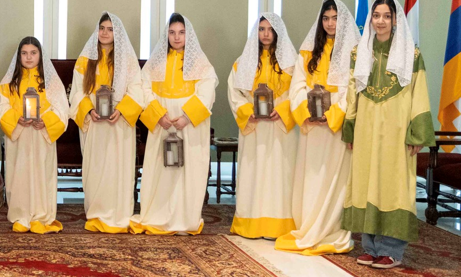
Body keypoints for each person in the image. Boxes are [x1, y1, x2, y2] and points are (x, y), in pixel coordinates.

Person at [343, 0, 435, 269]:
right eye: (376, 15)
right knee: (367, 182)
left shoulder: (411, 54)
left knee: (392, 186)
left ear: (395, 20)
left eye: (386, 16)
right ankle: (370, 247)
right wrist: (350, 128)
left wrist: (416, 133)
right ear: (371, 19)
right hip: (367, 130)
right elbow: (352, 94)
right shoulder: (359, 53)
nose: (380, 21)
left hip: (396, 132)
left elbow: (419, 94)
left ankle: (392, 250)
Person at [275, 0, 360, 257]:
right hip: (312, 128)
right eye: (326, 18)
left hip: (335, 128)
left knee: (334, 179)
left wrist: (332, 114)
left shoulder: (354, 52)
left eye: (335, 18)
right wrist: (308, 113)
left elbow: (353, 89)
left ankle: (331, 231)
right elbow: (297, 86)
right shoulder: (309, 50)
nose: (330, 23)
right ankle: (310, 226)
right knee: (311, 176)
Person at [133, 14, 217, 235]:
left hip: (188, 127)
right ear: (167, 35)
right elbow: (144, 88)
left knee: (186, 171)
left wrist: (187, 117)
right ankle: (157, 216)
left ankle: (183, 218)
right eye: (172, 33)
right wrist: (158, 115)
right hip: (163, 124)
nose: (176, 37)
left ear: (188, 35)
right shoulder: (157, 62)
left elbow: (207, 91)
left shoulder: (199, 62)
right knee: (161, 170)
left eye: (181, 32)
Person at [68, 12, 145, 232]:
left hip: (118, 123)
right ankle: (97, 212)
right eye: (102, 28)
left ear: (117, 33)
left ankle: (119, 213)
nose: (105, 32)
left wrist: (121, 111)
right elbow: (76, 92)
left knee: (118, 168)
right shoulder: (86, 59)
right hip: (94, 123)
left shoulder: (127, 60)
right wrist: (88, 109)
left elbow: (137, 89)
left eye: (110, 29)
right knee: (97, 168)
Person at [228, 13, 299, 240]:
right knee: (253, 172)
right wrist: (249, 112)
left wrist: (285, 109)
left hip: (280, 128)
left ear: (277, 32)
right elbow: (234, 92)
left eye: (270, 29)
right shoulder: (243, 62)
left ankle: (278, 226)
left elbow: (298, 91)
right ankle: (251, 223)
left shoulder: (291, 62)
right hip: (255, 128)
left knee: (280, 174)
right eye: (261, 29)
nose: (266, 34)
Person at [0, 36, 69, 233]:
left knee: (42, 174)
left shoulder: (51, 82)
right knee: (18, 175)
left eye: (33, 53)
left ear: (40, 55)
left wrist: (45, 121)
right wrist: (16, 119)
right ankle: (21, 215)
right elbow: (1, 106)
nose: (29, 57)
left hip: (40, 135)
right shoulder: (10, 82)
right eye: (24, 53)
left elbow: (62, 108)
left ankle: (42, 216)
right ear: (19, 56)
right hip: (19, 138)